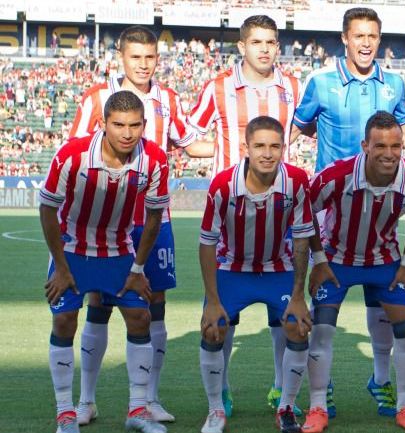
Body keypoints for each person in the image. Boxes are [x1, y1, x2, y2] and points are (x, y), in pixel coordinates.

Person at [290, 7, 405, 418]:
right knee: (322, 314)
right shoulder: (321, 82)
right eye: (359, 35)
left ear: (379, 38)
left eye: (373, 35)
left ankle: (383, 381)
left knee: (383, 312)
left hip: (382, 216)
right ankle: (322, 393)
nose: (366, 43)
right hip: (336, 208)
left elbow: (402, 135)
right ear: (345, 39)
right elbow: (300, 127)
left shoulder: (395, 84)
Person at [68, 25, 206, 425]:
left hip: (153, 219)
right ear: (121, 59)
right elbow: (75, 151)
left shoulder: (168, 100)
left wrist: (232, 144)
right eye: (136, 57)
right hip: (105, 222)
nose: (143, 65)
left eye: (150, 58)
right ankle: (87, 400)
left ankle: (149, 398)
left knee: (154, 303)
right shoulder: (98, 99)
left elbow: (188, 144)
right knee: (99, 302)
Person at [184, 15, 302, 416]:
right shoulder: (218, 87)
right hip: (232, 208)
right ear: (242, 46)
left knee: (281, 314)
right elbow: (188, 135)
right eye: (257, 42)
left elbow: (297, 132)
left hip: (279, 210)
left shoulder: (292, 86)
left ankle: (279, 388)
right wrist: (223, 157)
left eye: (271, 42)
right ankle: (223, 395)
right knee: (222, 317)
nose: (266, 49)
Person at [40, 91, 169, 433]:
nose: (127, 133)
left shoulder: (154, 160)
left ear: (144, 125)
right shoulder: (72, 156)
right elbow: (47, 209)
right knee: (65, 320)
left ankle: (137, 411)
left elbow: (154, 217)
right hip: (73, 249)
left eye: (135, 125)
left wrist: (138, 269)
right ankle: (66, 413)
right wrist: (61, 267)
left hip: (119, 249)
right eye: (118, 125)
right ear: (103, 124)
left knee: (141, 317)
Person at [301, 111, 405, 433]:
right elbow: (305, 211)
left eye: (396, 146)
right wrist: (318, 260)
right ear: (365, 146)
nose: (389, 154)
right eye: (380, 146)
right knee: (322, 330)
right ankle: (317, 403)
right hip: (336, 258)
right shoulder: (336, 176)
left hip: (383, 259)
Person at [197, 116, 314, 433]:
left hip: (279, 267)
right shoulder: (223, 185)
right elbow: (207, 244)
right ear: (245, 148)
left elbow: (303, 239)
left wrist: (300, 296)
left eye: (275, 146)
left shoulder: (297, 181)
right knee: (213, 328)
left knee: (298, 327)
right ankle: (216, 409)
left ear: (283, 148)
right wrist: (211, 300)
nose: (267, 153)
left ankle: (286, 407)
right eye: (259, 145)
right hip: (232, 267)